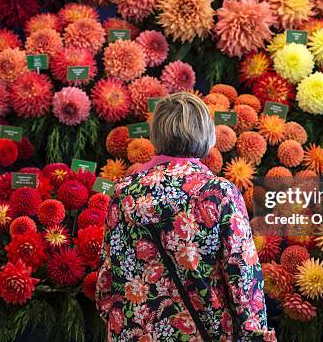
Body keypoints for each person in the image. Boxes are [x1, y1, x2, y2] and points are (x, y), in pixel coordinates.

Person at [95, 92, 275, 341]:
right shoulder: (217, 193)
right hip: (202, 332)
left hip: (137, 332)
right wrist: (254, 334)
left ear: (156, 134)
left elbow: (107, 276)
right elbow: (243, 277)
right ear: (206, 135)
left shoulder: (124, 192)